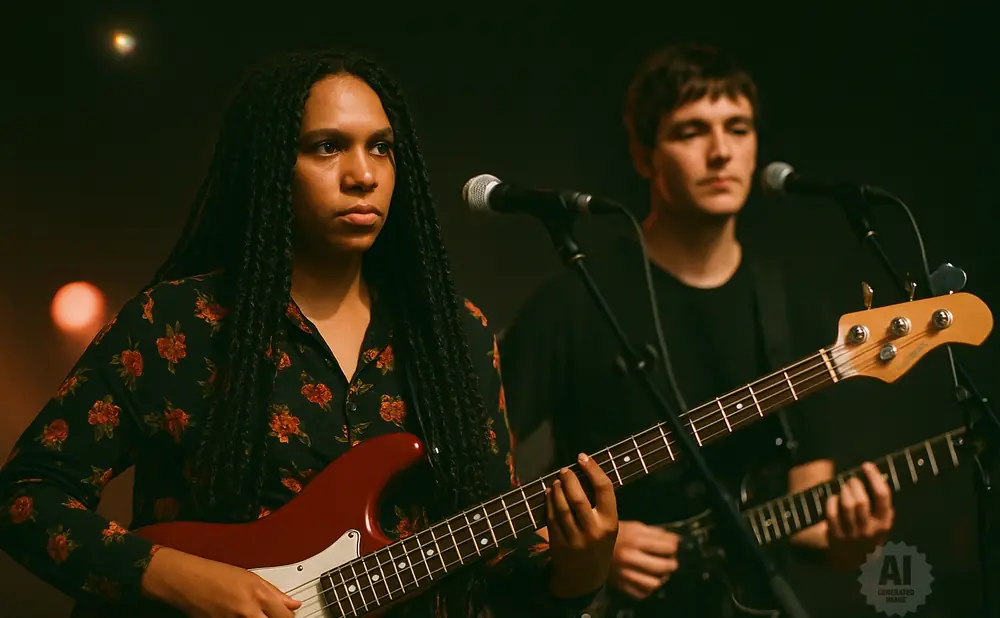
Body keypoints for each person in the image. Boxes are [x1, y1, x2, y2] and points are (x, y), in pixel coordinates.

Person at [0, 50, 619, 618]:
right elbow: (26, 498)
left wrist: (576, 571)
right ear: (270, 167)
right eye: (327, 147)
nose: (363, 174)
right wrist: (178, 577)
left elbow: (490, 569)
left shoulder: (455, 334)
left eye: (381, 148)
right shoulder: (176, 323)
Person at [499, 44, 895, 617]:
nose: (720, 152)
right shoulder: (577, 300)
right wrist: (583, 550)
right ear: (643, 155)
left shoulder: (785, 306)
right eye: (690, 132)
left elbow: (804, 510)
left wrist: (852, 540)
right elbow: (482, 477)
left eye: (737, 128)